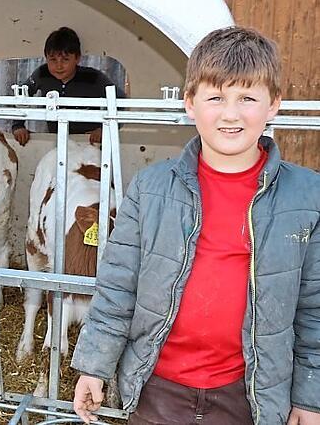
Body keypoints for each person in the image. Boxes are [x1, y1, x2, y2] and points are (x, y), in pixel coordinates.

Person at [71, 27, 320, 425]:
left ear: (273, 104)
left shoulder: (307, 196)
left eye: (248, 98)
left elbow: (314, 308)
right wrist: (94, 365)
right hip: (157, 388)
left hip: (249, 394)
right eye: (216, 97)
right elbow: (117, 287)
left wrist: (310, 397)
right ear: (190, 103)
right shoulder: (151, 188)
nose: (231, 114)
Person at [10, 26, 125, 146]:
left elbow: (121, 102)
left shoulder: (93, 77)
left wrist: (105, 128)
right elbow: (21, 96)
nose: (59, 66)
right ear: (46, 58)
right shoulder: (42, 74)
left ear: (77, 58)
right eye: (53, 60)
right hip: (56, 142)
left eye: (65, 59)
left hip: (89, 143)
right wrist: (18, 126)